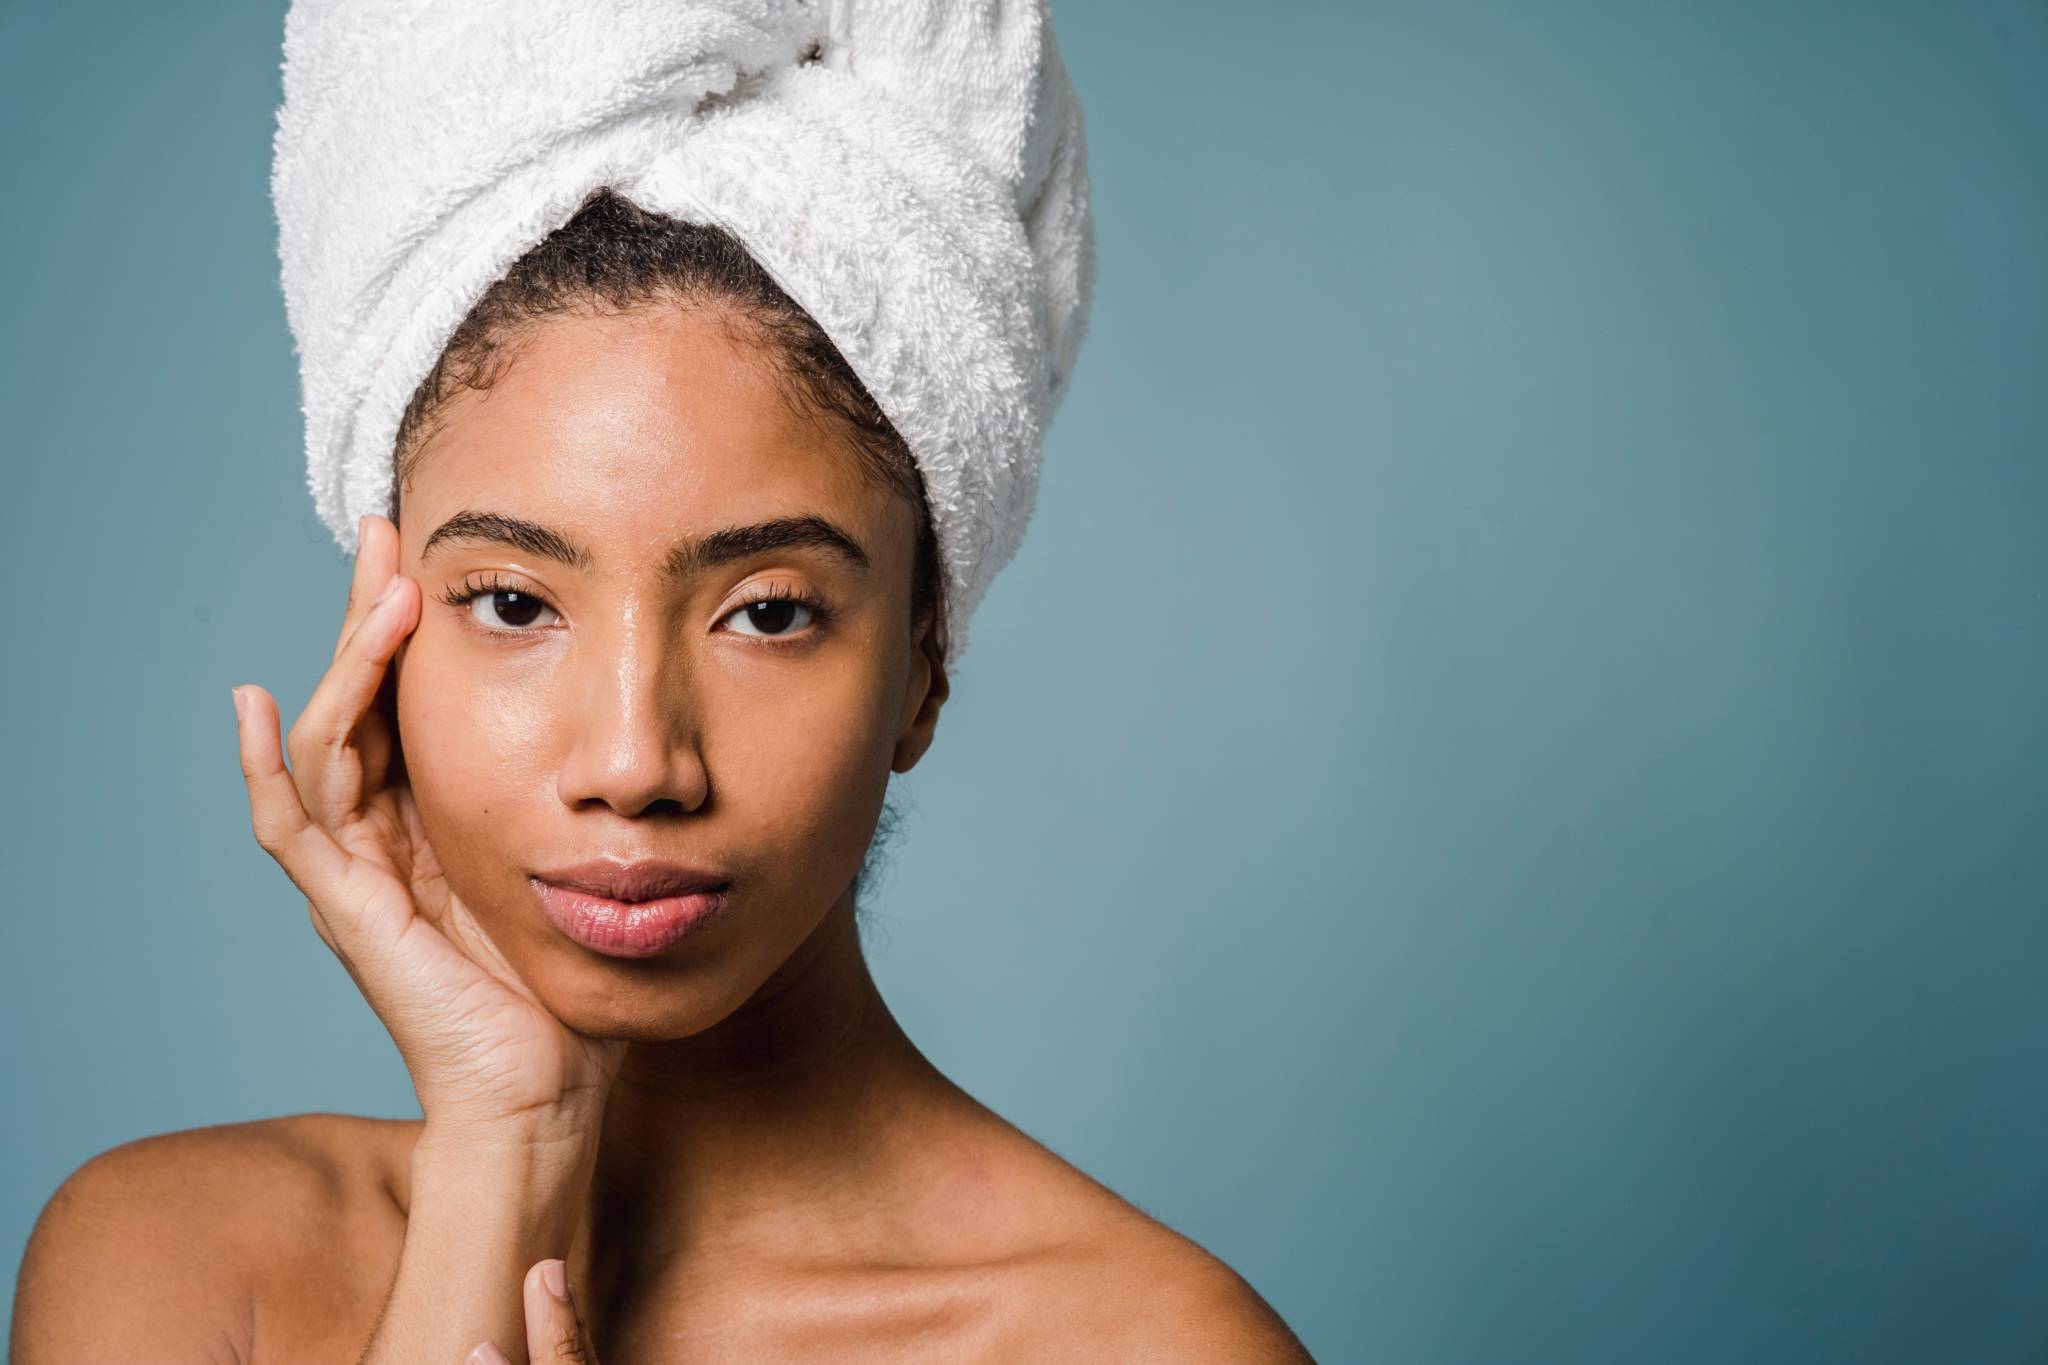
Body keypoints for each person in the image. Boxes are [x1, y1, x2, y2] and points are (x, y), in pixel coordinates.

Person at [10, 186, 1314, 1362]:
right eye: (516, 602)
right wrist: (504, 1136)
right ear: (384, 643)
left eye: (768, 612)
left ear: (923, 666)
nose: (634, 764)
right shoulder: (170, 1263)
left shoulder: (1150, 1344)